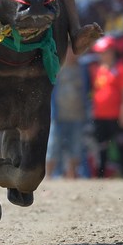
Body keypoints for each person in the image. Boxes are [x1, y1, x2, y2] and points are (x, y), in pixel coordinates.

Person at [89, 35, 123, 178]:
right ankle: (101, 177)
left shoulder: (122, 69)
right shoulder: (97, 69)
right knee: (101, 148)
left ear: (112, 52)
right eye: (100, 53)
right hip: (100, 116)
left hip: (117, 116)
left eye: (103, 52)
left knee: (122, 146)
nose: (101, 55)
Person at [46, 51, 90, 179]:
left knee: (75, 147)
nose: (72, 54)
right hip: (57, 115)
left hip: (78, 115)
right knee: (53, 146)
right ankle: (48, 176)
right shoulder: (57, 67)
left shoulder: (83, 68)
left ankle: (71, 176)